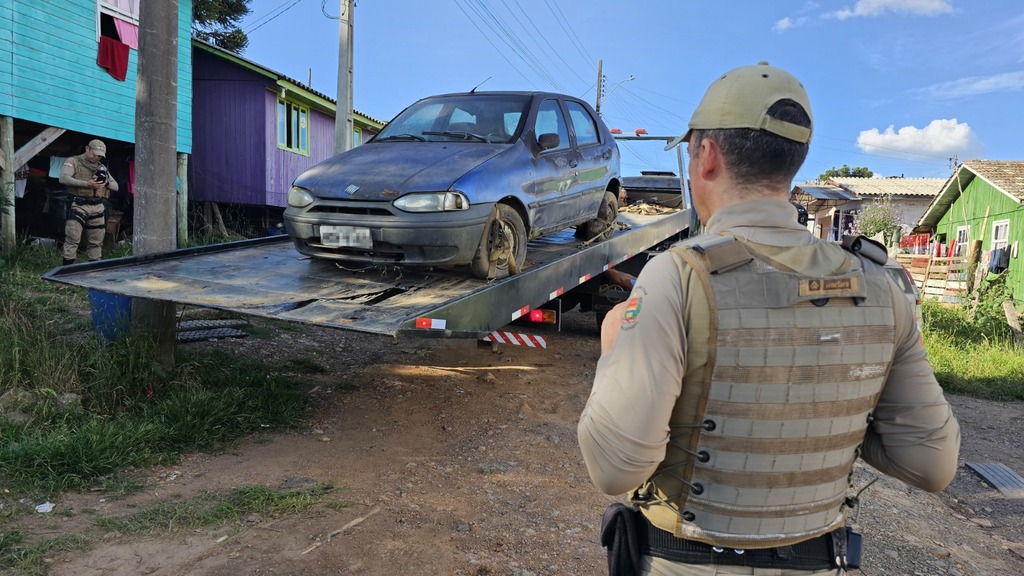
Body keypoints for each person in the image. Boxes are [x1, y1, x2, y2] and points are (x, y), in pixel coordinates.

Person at [577, 62, 961, 576]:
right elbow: (931, 463)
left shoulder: (677, 277)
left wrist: (611, 345)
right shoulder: (880, 285)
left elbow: (615, 466)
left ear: (706, 156)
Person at [59, 139, 118, 265]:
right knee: (72, 238)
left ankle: (94, 270)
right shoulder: (73, 161)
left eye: (99, 156)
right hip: (78, 205)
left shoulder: (101, 167)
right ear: (87, 149)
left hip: (97, 206)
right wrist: (87, 184)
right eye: (94, 154)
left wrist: (105, 182)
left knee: (96, 241)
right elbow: (63, 178)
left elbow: (116, 186)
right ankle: (67, 270)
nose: (96, 157)